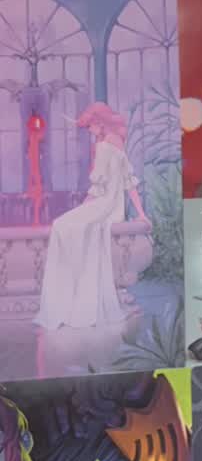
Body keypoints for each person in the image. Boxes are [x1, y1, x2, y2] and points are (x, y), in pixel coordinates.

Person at [36, 102, 145, 376]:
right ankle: (77, 290)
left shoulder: (104, 146)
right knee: (70, 224)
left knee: (62, 225)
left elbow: (99, 188)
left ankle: (71, 293)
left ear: (99, 123)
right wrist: (141, 213)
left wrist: (85, 207)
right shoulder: (117, 142)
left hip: (104, 204)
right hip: (113, 205)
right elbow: (129, 184)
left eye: (89, 127)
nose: (89, 132)